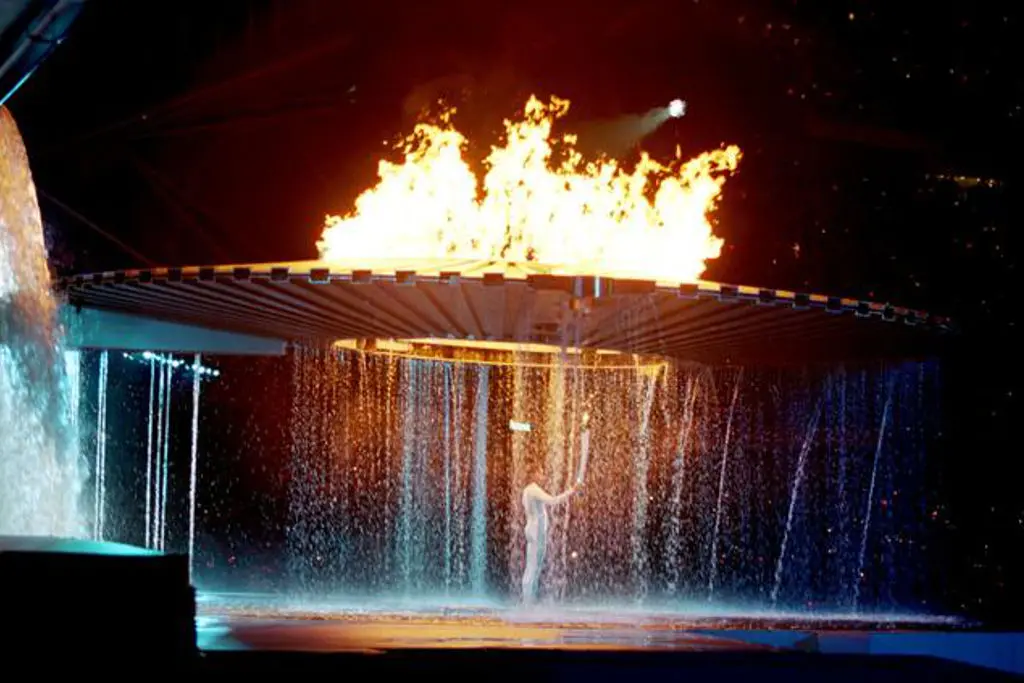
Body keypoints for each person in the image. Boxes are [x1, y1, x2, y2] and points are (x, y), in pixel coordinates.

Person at [520, 412, 590, 604]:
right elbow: (552, 501)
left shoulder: (527, 490)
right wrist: (572, 491)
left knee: (532, 567)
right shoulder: (534, 489)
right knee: (533, 568)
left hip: (532, 529)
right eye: (541, 472)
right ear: (534, 473)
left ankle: (529, 601)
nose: (544, 475)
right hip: (536, 530)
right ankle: (527, 604)